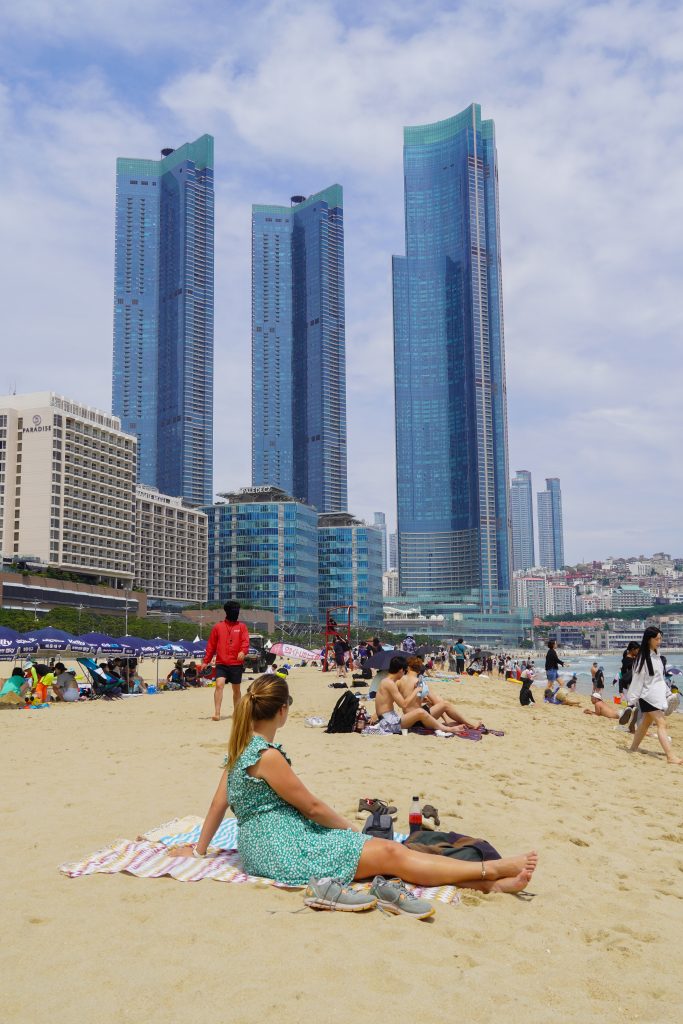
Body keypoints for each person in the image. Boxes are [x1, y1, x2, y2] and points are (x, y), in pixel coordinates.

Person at [168, 674, 538, 900]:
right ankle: (491, 870)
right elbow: (312, 807)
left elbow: (218, 804)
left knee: (389, 857)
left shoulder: (239, 748)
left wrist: (200, 851)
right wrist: (349, 830)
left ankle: (490, 886)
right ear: (281, 711)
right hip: (282, 850)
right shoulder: (267, 756)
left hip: (263, 845)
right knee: (390, 855)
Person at [625, 627, 682, 765]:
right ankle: (670, 757)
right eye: (657, 639)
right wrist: (632, 701)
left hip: (657, 696)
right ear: (649, 639)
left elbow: (659, 679)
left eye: (660, 638)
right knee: (662, 723)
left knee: (645, 723)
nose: (659, 641)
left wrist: (668, 692)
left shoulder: (656, 655)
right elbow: (637, 680)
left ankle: (633, 749)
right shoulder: (641, 659)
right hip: (647, 696)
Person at [373, 658, 466, 734]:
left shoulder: (386, 681)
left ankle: (446, 725)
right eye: (404, 671)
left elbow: (385, 702)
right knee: (420, 712)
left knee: (421, 711)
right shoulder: (389, 683)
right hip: (389, 723)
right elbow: (404, 704)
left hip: (388, 719)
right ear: (401, 670)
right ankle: (447, 729)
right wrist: (416, 690)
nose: (404, 673)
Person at [399, 657, 482, 730]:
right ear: (418, 669)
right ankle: (469, 724)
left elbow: (406, 699)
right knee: (445, 704)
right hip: (419, 720)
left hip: (408, 718)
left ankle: (447, 721)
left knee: (434, 701)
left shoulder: (400, 680)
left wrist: (422, 700)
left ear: (408, 667)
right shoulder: (419, 682)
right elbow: (435, 700)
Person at [202, 600, 250, 721]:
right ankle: (217, 713)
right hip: (221, 663)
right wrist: (205, 661)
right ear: (227, 612)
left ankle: (237, 713)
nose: (236, 614)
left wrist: (243, 651)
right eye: (234, 611)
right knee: (219, 685)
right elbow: (211, 646)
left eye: (237, 612)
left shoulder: (242, 627)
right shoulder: (218, 627)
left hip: (236, 663)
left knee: (236, 689)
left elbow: (245, 642)